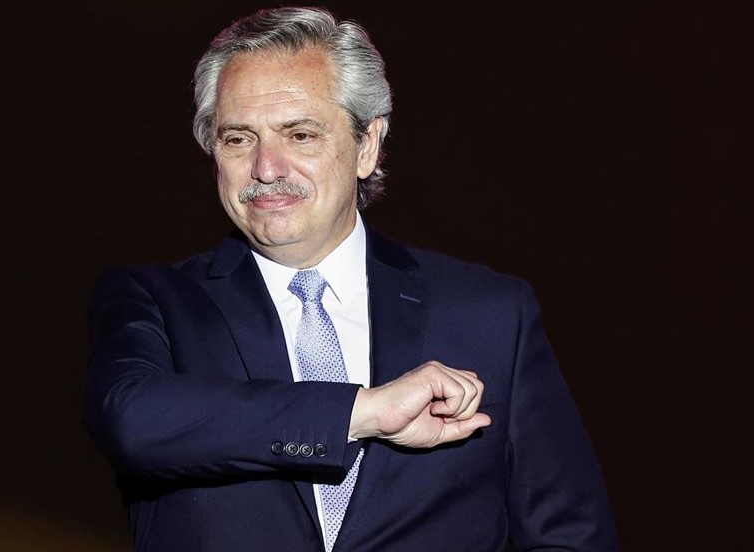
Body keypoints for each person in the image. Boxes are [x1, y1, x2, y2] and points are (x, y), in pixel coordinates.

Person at [83, 6, 618, 551]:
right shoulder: (152, 302)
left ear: (367, 146)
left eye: (300, 135)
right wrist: (362, 412)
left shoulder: (490, 314)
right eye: (239, 139)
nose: (267, 168)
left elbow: (571, 536)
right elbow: (132, 422)